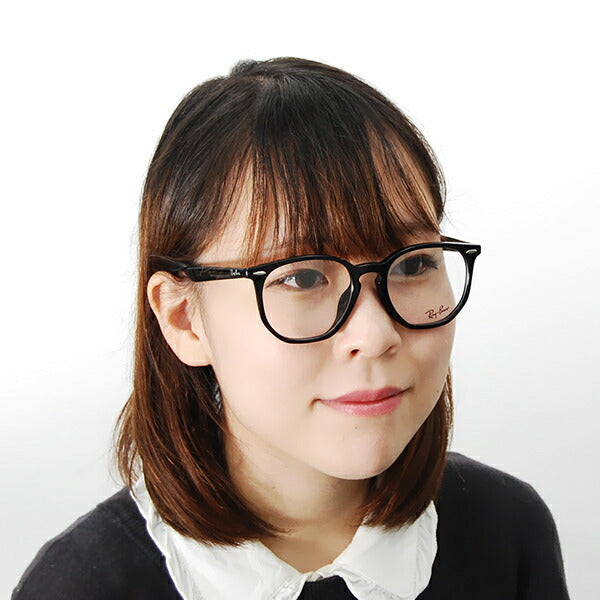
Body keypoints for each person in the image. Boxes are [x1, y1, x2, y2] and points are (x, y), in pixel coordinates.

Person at [12, 57, 570, 600]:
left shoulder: (507, 534)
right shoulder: (82, 586)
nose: (375, 335)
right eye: (302, 277)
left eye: (413, 264)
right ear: (185, 318)